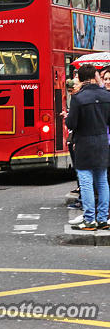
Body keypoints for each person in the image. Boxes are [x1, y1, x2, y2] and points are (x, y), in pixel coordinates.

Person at [63, 64, 110, 231]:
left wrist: (68, 116)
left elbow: (71, 123)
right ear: (94, 76)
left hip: (84, 143)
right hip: (102, 142)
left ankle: (89, 219)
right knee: (102, 181)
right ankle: (103, 218)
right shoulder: (106, 95)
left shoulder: (78, 98)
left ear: (81, 79)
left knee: (86, 181)